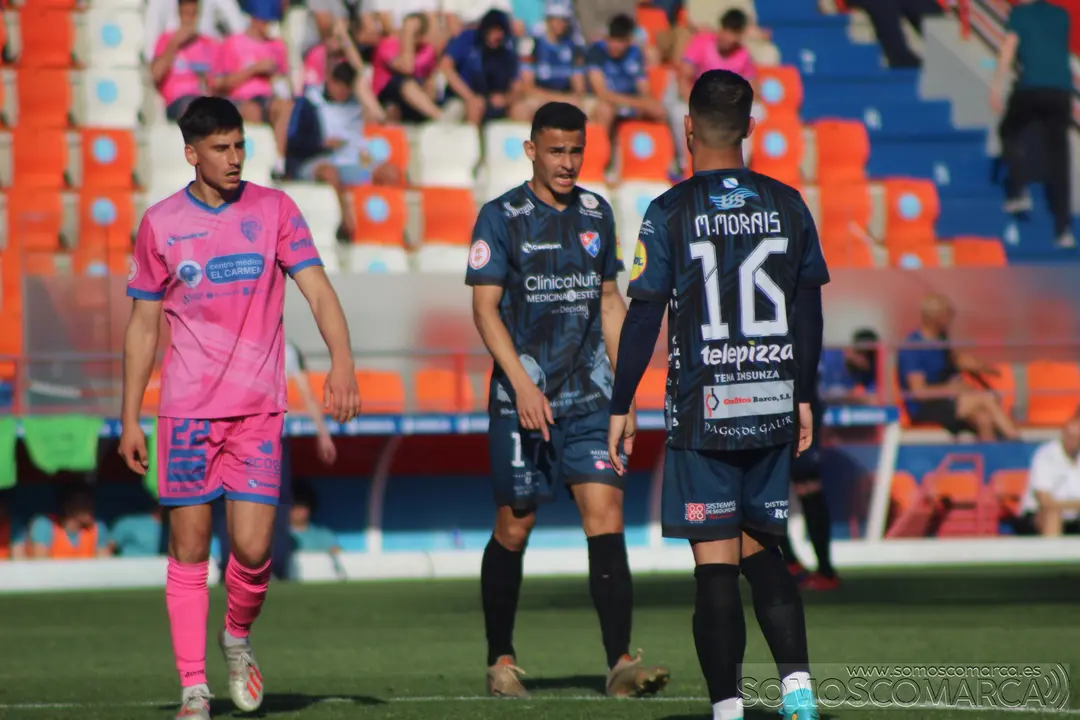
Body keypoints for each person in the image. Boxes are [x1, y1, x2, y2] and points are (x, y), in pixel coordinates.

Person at [118, 96, 360, 720]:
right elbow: (143, 327)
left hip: (257, 411)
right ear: (191, 154)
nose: (234, 159)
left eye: (240, 146)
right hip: (186, 413)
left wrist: (342, 362)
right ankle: (194, 689)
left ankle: (236, 637)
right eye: (221, 149)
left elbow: (318, 290)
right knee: (190, 549)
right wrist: (128, 416)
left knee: (253, 553)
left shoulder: (275, 209)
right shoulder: (160, 224)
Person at [607, 69, 827, 720]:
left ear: (688, 127)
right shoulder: (788, 202)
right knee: (765, 550)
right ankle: (799, 695)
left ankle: (728, 709)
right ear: (750, 128)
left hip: (706, 410)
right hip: (770, 400)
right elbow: (808, 312)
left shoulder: (670, 210)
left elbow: (644, 315)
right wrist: (805, 393)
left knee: (715, 565)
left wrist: (621, 404)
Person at [465, 101, 668, 700]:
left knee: (605, 518)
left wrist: (624, 395)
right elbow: (483, 308)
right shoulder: (500, 217)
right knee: (515, 525)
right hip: (520, 400)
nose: (567, 162)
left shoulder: (596, 211)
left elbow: (609, 301)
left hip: (589, 399)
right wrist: (523, 387)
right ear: (531, 150)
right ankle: (501, 660)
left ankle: (620, 663)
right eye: (556, 151)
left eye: (576, 150)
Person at [990, 0, 1074, 249]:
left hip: (1032, 87)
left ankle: (1018, 190)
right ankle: (1063, 229)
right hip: (1061, 91)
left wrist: (997, 85)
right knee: (1060, 160)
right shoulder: (1062, 16)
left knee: (1009, 130)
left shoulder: (1019, 15)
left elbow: (1008, 50)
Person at [897, 293, 1018, 441]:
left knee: (983, 418)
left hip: (946, 401)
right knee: (984, 398)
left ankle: (990, 457)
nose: (951, 321)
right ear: (937, 318)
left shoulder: (941, 341)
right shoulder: (913, 347)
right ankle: (1017, 442)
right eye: (948, 317)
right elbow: (919, 392)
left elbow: (957, 361)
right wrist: (952, 389)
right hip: (925, 408)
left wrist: (983, 368)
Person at [1016, 407, 1080, 536]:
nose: (1073, 440)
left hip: (1074, 516)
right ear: (1064, 432)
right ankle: (1053, 556)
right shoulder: (1046, 455)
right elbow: (1044, 500)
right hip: (1037, 515)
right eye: (1071, 435)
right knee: (1052, 514)